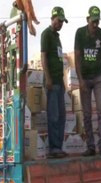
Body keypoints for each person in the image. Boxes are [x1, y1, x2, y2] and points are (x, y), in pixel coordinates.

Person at [74, 6, 101, 156]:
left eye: (97, 22)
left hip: (98, 77)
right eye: (93, 22)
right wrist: (80, 80)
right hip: (85, 78)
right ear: (87, 19)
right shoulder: (80, 33)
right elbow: (77, 58)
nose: (95, 25)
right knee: (87, 113)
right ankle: (90, 146)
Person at [40, 6, 68, 158]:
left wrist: (63, 81)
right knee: (54, 115)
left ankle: (58, 147)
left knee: (61, 115)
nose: (60, 24)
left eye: (62, 22)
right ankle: (54, 148)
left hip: (59, 81)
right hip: (52, 82)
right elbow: (44, 57)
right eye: (59, 21)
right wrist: (48, 78)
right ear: (53, 19)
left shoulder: (57, 37)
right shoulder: (47, 34)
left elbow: (58, 60)